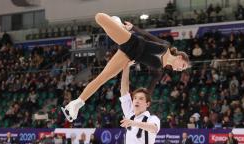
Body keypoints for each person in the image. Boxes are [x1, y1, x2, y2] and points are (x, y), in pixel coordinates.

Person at [61, 13, 189, 122]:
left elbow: (149, 90)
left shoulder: (159, 70)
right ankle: (119, 25)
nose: (180, 69)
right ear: (180, 57)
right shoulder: (166, 45)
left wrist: (142, 103)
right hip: (131, 41)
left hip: (128, 57)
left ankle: (76, 104)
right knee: (99, 17)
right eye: (182, 66)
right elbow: (147, 36)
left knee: (102, 78)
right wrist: (133, 27)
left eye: (182, 69)